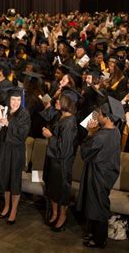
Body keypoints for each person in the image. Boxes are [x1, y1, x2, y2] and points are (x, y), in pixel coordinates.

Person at [76, 96, 123, 249]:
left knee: (99, 207)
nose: (98, 116)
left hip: (98, 175)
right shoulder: (115, 131)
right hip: (106, 173)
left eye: (100, 114)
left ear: (107, 117)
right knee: (95, 204)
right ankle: (93, 233)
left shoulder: (101, 136)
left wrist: (90, 133)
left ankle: (99, 239)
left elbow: (85, 153)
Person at [0, 86, 31, 225]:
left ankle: (13, 210)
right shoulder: (3, 111)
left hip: (16, 152)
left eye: (18, 99)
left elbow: (22, 135)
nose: (16, 103)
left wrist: (8, 124)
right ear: (9, 99)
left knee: (14, 181)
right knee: (4, 180)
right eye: (13, 99)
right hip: (3, 150)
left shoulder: (24, 114)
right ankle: (6, 206)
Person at [41, 90, 79, 232]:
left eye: (59, 99)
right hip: (53, 160)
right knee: (52, 188)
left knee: (62, 191)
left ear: (67, 103)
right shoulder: (60, 117)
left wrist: (50, 136)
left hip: (62, 164)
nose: (56, 100)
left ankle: (62, 216)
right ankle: (55, 213)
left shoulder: (69, 123)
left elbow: (65, 149)